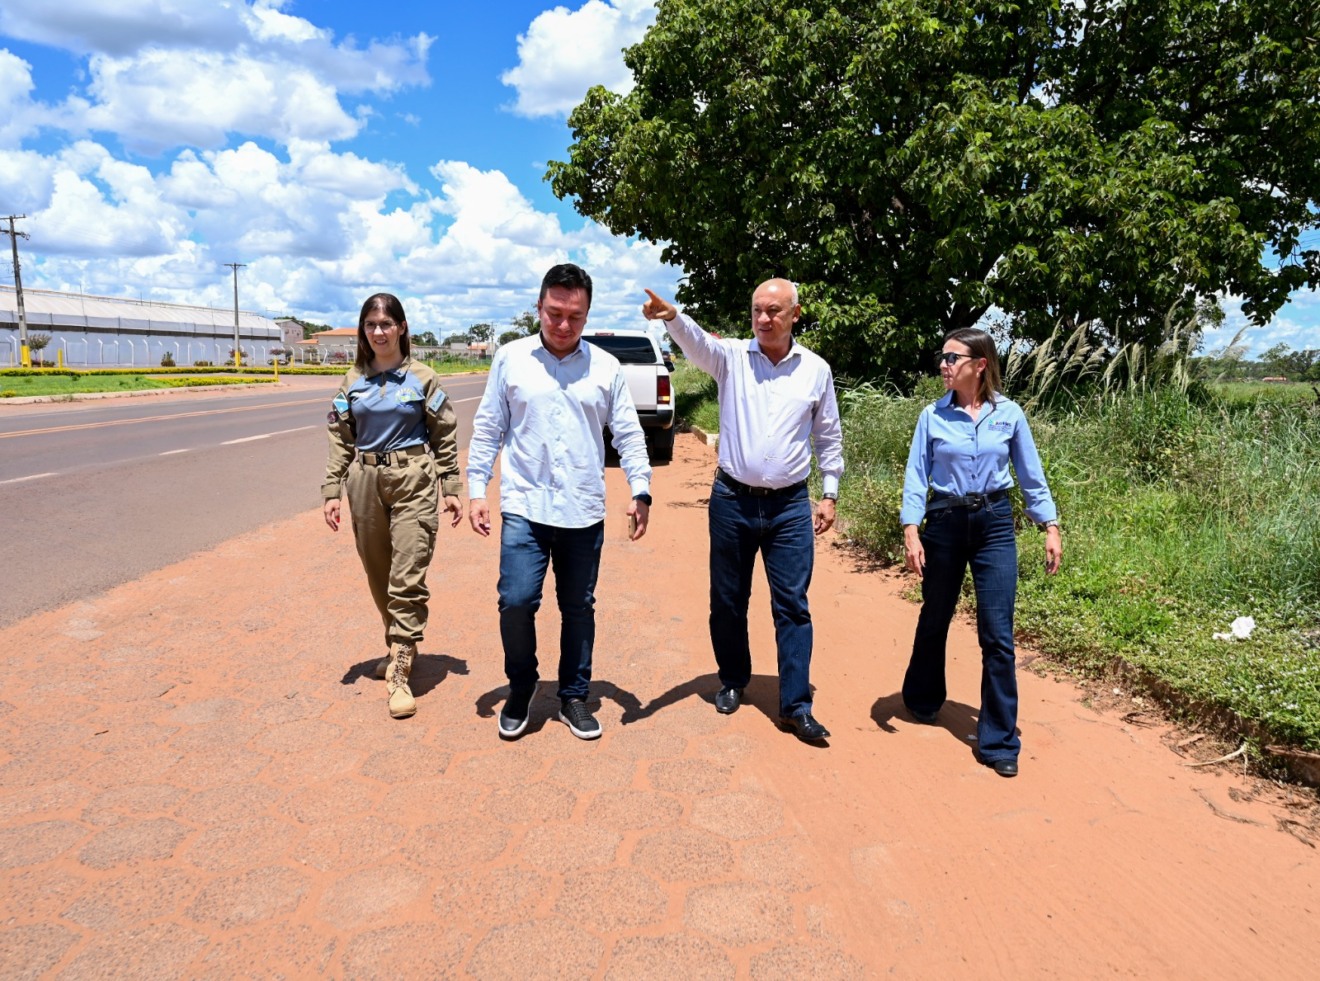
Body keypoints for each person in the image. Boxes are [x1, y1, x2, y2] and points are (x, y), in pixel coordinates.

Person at [642, 280, 843, 744]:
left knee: (792, 605)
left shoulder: (815, 370)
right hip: (732, 500)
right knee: (728, 599)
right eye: (757, 310)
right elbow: (695, 343)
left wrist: (828, 493)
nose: (764, 319)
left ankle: (795, 705)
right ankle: (733, 678)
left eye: (774, 310)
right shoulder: (731, 358)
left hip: (790, 506)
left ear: (795, 314)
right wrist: (673, 317)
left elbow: (828, 435)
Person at [468, 263, 652, 741]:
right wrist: (475, 490)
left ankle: (573, 695)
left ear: (587, 315)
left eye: (575, 316)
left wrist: (641, 489)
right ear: (539, 307)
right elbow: (489, 427)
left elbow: (628, 435)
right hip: (525, 506)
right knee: (516, 600)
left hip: (582, 509)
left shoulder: (606, 367)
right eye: (555, 313)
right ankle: (522, 685)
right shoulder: (510, 358)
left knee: (578, 607)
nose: (564, 325)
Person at [899, 328, 1062, 777]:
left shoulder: (1009, 415)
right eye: (942, 357)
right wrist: (911, 529)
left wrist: (1050, 524)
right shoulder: (931, 416)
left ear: (980, 364)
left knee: (997, 633)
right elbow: (916, 477)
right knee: (935, 616)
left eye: (953, 358)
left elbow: (1031, 475)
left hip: (994, 526)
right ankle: (923, 697)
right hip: (945, 524)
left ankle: (999, 740)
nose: (943, 365)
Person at [322, 293, 463, 720]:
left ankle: (399, 668)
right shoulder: (352, 380)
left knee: (407, 573)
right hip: (364, 481)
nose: (379, 332)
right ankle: (401, 640)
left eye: (386, 323)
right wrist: (331, 489)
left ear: (401, 327)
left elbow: (444, 433)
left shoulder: (423, 378)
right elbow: (340, 437)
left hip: (413, 478)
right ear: (364, 330)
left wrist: (452, 485)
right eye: (371, 325)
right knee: (378, 571)